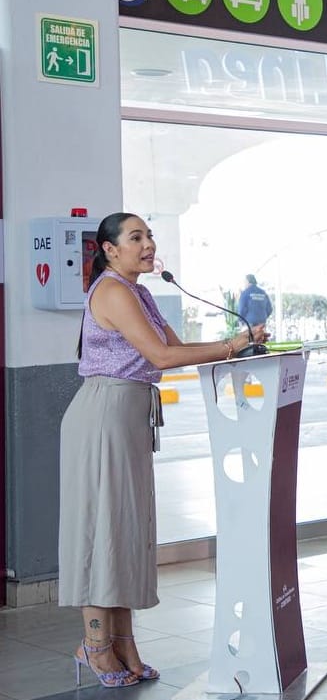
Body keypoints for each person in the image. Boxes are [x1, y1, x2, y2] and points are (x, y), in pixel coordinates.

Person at [59, 213, 267, 688]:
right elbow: (162, 357)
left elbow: (176, 346)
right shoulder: (113, 291)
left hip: (129, 415)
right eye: (136, 237)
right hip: (104, 415)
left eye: (149, 236)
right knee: (101, 528)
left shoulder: (140, 293)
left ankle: (123, 642)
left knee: (126, 529)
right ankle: (94, 645)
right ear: (110, 249)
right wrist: (233, 344)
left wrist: (239, 343)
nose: (148, 244)